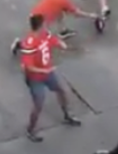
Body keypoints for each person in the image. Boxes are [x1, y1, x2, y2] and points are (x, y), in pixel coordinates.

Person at [16, 13, 82, 141]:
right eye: (44, 24)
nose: (46, 26)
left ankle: (67, 115)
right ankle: (30, 130)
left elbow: (52, 40)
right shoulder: (30, 43)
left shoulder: (44, 34)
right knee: (38, 104)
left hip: (47, 72)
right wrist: (44, 70)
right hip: (36, 78)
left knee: (62, 91)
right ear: (40, 26)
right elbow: (28, 67)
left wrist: (60, 44)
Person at [11, 0, 97, 44]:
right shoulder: (64, 1)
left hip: (35, 13)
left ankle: (63, 31)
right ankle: (20, 44)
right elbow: (77, 13)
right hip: (40, 19)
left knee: (60, 12)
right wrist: (90, 15)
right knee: (39, 38)